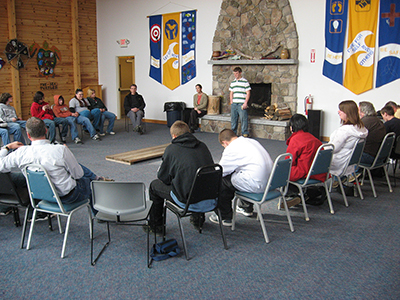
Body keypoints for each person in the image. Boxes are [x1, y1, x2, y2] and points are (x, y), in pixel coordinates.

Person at [0, 117, 109, 209]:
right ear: (46, 131)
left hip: (39, 195)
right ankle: (99, 213)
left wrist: (7, 147)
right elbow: (78, 175)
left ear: (28, 135)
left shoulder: (20, 153)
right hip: (67, 197)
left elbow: (1, 166)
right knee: (87, 182)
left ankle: (96, 179)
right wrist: (68, 154)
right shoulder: (60, 149)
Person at [146, 121, 214, 233]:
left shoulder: (171, 149)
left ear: (174, 136)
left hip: (186, 199)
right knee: (197, 179)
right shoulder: (202, 146)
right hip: (209, 195)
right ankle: (198, 220)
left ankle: (156, 226)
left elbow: (163, 178)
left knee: (154, 186)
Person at [209, 129, 273, 226]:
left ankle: (225, 217)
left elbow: (221, 172)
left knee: (222, 181)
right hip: (271, 182)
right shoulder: (251, 141)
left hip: (257, 184)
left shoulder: (231, 149)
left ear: (225, 143)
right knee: (240, 171)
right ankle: (245, 207)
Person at [329, 100, 368, 177]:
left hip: (338, 162)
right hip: (350, 161)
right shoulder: (361, 128)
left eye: (341, 110)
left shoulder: (345, 130)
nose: (338, 112)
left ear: (348, 113)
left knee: (311, 159)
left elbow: (333, 148)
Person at [229, 67, 251, 137]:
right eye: (234, 74)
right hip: (234, 103)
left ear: (240, 73)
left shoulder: (245, 82)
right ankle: (233, 133)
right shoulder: (233, 82)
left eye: (237, 73)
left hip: (242, 103)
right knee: (233, 119)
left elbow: (248, 92)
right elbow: (231, 92)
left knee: (243, 118)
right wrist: (231, 100)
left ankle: (244, 133)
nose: (235, 75)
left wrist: (245, 102)